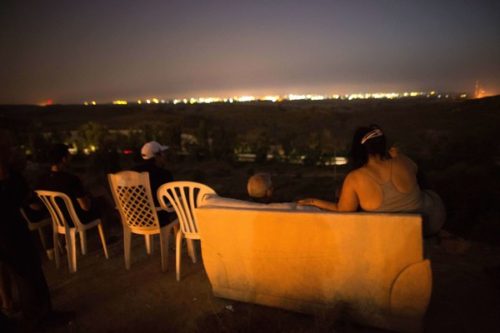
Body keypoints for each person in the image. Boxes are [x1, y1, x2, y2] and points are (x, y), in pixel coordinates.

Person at [298, 125, 445, 237]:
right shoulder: (403, 160)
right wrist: (396, 155)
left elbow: (343, 210)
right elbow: (418, 176)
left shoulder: (355, 178)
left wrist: (313, 201)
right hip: (429, 222)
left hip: (393, 232)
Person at [0, 134, 52, 330]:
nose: (13, 152)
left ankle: (16, 307)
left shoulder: (11, 176)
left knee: (17, 271)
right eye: (8, 148)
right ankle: (38, 315)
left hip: (9, 229)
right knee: (27, 272)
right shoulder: (9, 177)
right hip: (10, 230)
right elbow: (26, 199)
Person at [36, 143, 103, 226]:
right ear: (64, 159)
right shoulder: (71, 179)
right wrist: (90, 198)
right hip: (76, 220)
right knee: (101, 200)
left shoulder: (42, 179)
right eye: (69, 155)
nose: (71, 158)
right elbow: (85, 207)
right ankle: (110, 230)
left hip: (57, 220)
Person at [134, 141, 174, 206]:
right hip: (158, 213)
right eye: (163, 153)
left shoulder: (132, 172)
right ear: (157, 156)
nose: (165, 156)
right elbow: (169, 198)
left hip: (133, 214)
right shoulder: (164, 174)